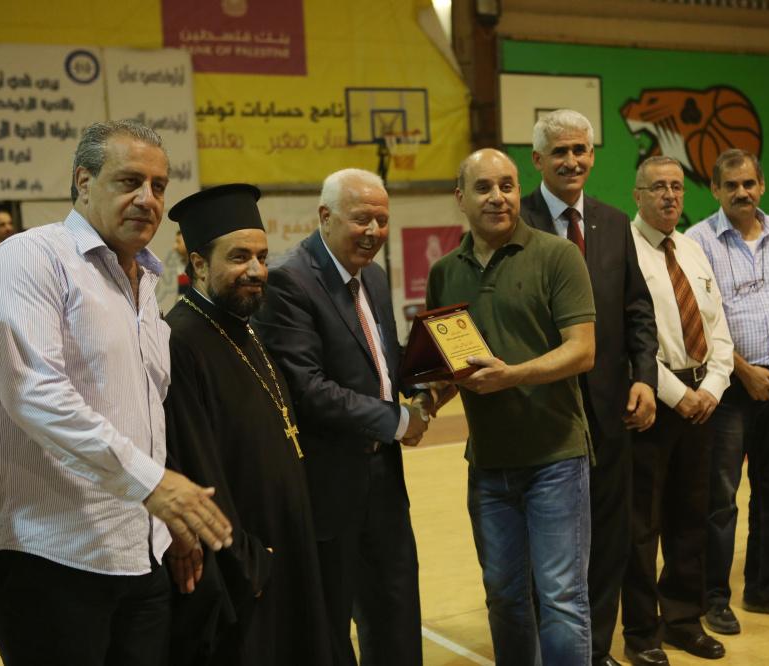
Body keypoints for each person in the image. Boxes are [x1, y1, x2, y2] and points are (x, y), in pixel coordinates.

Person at [0, 119, 233, 665]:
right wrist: (152, 484)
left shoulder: (143, 284)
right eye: (129, 181)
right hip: (45, 552)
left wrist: (165, 522)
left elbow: (146, 418)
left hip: (136, 552)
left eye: (159, 186)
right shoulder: (29, 258)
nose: (148, 199)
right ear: (83, 181)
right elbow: (34, 391)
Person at [252, 168, 430, 666]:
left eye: (382, 220)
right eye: (361, 219)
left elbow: (380, 362)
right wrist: (398, 420)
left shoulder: (373, 275)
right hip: (327, 484)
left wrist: (426, 380)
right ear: (325, 216)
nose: (373, 231)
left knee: (396, 611)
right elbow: (307, 390)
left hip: (383, 478)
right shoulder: (288, 281)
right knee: (329, 624)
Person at [427, 148, 596, 665]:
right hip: (488, 465)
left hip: (555, 460)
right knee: (503, 597)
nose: (498, 197)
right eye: (483, 187)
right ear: (460, 198)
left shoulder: (558, 255)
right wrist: (425, 400)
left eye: (507, 185)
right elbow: (452, 366)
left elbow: (582, 351)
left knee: (562, 599)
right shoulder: (443, 272)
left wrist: (512, 375)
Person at [163, 184, 331, 664]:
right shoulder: (179, 341)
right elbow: (195, 463)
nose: (256, 270)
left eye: (261, 256)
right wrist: (242, 558)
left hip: (286, 542)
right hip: (247, 565)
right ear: (198, 264)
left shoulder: (245, 327)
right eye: (239, 257)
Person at [519, 109, 658, 666]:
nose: (572, 161)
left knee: (607, 541)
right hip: (540, 414)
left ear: (593, 155)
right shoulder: (514, 219)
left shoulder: (613, 222)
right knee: (547, 549)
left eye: (580, 150)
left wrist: (645, 378)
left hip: (608, 415)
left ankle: (593, 652)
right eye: (560, 152)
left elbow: (637, 310)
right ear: (538, 160)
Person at [686, 148, 769, 635]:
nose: (741, 192)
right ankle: (714, 596)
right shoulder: (697, 242)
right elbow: (700, 321)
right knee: (720, 498)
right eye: (731, 185)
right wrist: (743, 372)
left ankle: (765, 587)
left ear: (762, 186)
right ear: (715, 190)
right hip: (727, 389)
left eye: (749, 183)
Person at [621, 156, 734, 666]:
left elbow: (718, 329)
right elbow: (626, 340)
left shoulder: (691, 248)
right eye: (658, 187)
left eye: (676, 187)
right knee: (642, 526)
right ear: (637, 195)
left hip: (703, 401)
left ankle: (684, 619)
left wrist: (711, 388)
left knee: (692, 517)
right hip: (652, 400)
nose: (669, 195)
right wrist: (675, 395)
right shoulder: (623, 250)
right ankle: (642, 631)